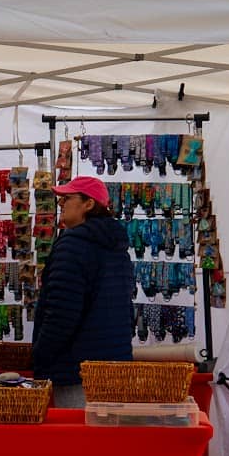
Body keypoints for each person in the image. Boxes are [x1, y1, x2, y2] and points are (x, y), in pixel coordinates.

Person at [30, 175, 136, 408]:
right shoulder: (118, 248)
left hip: (77, 371)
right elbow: (127, 311)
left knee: (77, 441)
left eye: (66, 199)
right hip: (115, 367)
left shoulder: (73, 244)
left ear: (88, 204)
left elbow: (61, 314)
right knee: (106, 441)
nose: (61, 205)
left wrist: (40, 356)